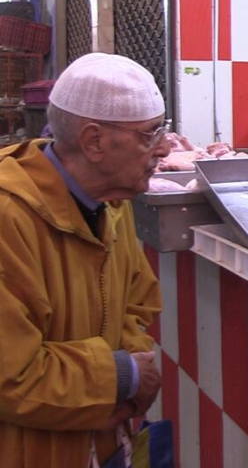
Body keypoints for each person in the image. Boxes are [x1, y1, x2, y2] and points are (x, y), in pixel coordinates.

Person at [0, 53, 166, 466]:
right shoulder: (9, 217)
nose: (163, 148)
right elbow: (10, 376)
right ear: (94, 141)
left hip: (105, 440)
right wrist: (122, 375)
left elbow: (137, 303)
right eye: (149, 134)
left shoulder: (112, 201)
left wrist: (132, 358)